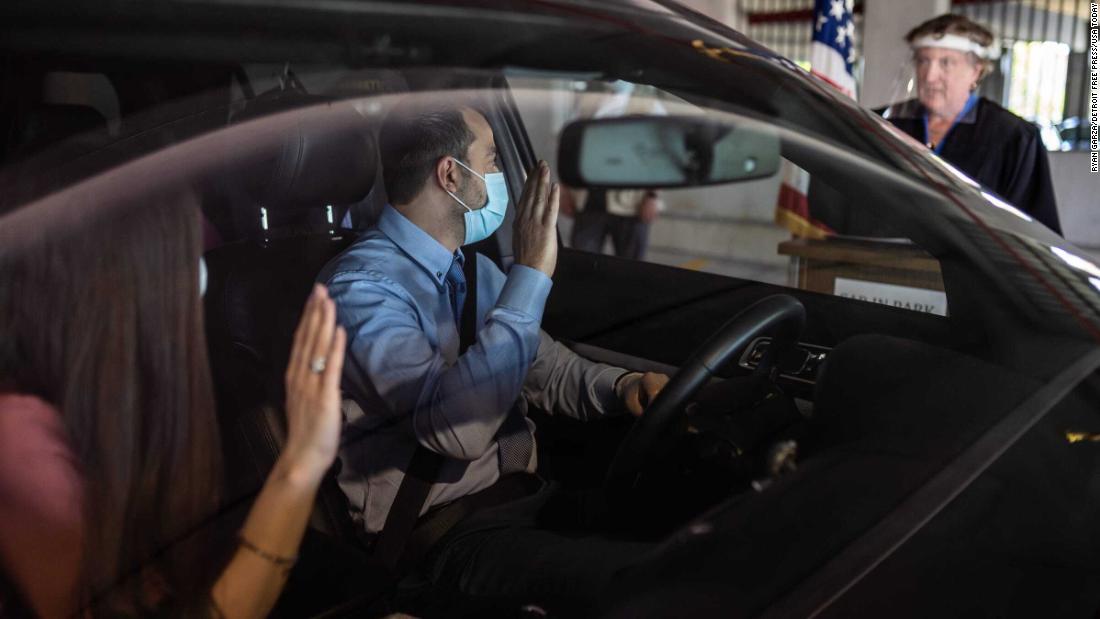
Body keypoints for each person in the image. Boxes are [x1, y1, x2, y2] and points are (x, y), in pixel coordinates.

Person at [317, 101, 669, 614]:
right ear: (450, 176)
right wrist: (531, 275)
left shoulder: (473, 274)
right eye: (494, 161)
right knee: (641, 589)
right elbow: (457, 430)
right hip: (442, 537)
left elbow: (548, 370)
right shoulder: (361, 291)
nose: (503, 176)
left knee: (684, 537)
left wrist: (623, 387)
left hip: (524, 498)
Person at [0, 190, 347, 618]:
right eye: (188, 264)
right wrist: (303, 461)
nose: (198, 283)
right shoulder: (21, 442)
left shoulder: (98, 402)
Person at [879, 14, 1061, 233]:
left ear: (976, 70)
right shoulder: (886, 123)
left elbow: (1035, 231)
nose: (929, 76)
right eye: (923, 61)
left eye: (946, 63)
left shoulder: (1013, 137)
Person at [563, 188, 662, 260]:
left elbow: (657, 160)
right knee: (581, 267)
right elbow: (567, 159)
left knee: (632, 272)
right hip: (588, 202)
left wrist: (653, 196)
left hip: (633, 205)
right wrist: (565, 190)